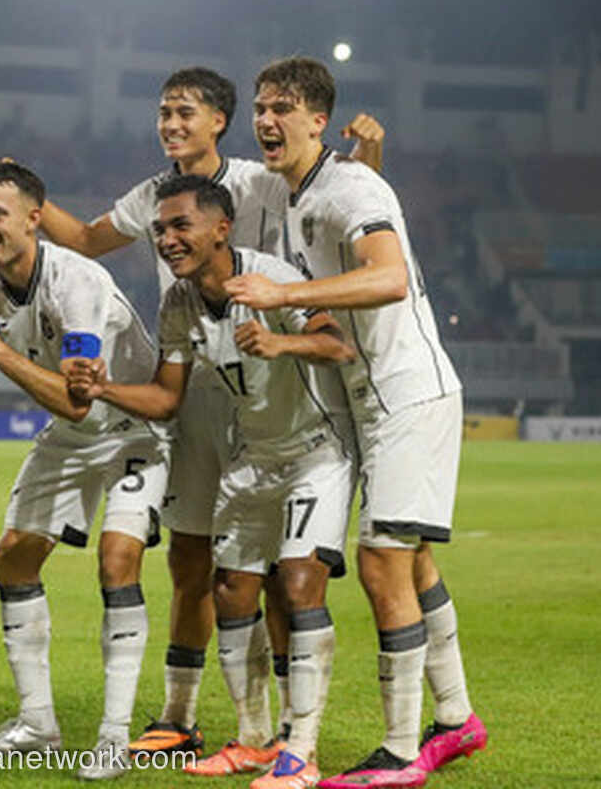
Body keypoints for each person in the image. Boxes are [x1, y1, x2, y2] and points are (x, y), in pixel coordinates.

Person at [37, 65, 385, 775]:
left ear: (219, 121)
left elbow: (340, 210)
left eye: (184, 113)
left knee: (290, 578)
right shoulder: (153, 202)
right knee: (201, 561)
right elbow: (84, 238)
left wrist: (370, 155)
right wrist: (24, 199)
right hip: (199, 381)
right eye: (162, 112)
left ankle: (294, 732)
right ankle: (183, 715)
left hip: (282, 390)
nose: (169, 124)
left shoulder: (262, 177)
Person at [227, 56, 486, 788]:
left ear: (317, 119)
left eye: (282, 108)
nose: (267, 121)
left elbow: (390, 276)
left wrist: (284, 298)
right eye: (260, 108)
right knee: (413, 561)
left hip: (408, 394)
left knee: (379, 561)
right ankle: (457, 720)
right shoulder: (298, 195)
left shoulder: (349, 187)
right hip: (372, 402)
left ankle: (403, 753)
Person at [67, 174, 357, 789]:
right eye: (161, 229)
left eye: (181, 226)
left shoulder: (271, 274)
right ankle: (252, 739)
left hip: (313, 454)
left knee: (301, 582)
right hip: (248, 457)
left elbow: (338, 346)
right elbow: (168, 399)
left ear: (221, 228)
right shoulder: (178, 301)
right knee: (229, 590)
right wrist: (102, 389)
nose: (167, 239)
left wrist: (281, 341)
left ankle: (300, 750)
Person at [0, 162, 170, 780]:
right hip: (73, 436)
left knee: (117, 557)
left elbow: (81, 397)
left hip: (136, 429)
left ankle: (112, 736)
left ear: (33, 217)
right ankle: (38, 724)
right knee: (12, 559)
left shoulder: (78, 282)